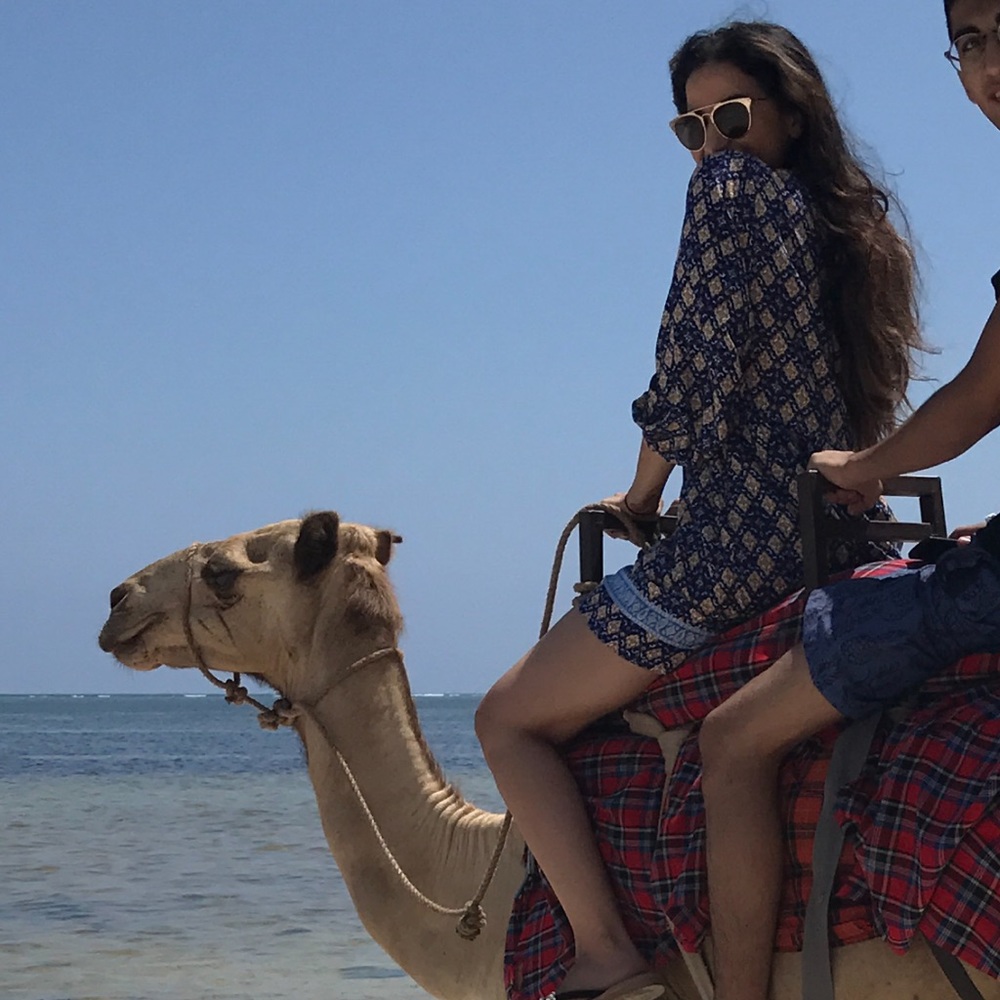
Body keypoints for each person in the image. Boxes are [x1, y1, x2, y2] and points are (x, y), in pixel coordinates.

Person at [474, 21, 924, 1000]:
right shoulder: (853, 232)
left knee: (506, 719)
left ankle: (603, 950)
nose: (710, 147)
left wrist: (639, 496)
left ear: (790, 112)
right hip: (826, 534)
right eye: (690, 130)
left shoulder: (730, 195)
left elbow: (689, 372)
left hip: (730, 546)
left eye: (729, 117)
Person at [699, 3, 1000, 999]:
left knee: (727, 739)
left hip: (805, 523)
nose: (988, 63)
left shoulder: (734, 226)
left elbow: (975, 395)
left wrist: (863, 466)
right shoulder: (872, 236)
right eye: (972, 41)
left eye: (727, 123)